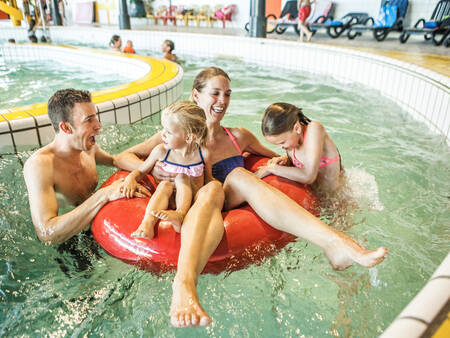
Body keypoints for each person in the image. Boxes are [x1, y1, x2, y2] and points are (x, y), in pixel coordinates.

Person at [115, 66, 388, 328]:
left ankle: (333, 241)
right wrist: (155, 172)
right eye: (215, 93)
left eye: (228, 93)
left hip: (221, 196)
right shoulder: (174, 135)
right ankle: (183, 284)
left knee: (237, 177)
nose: (223, 100)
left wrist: (289, 160)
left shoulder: (239, 136)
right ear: (196, 96)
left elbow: (276, 159)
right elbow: (124, 157)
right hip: (188, 202)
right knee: (210, 190)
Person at [23, 89, 149, 244]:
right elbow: (47, 233)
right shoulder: (40, 166)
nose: (98, 126)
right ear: (66, 128)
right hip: (68, 243)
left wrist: (148, 165)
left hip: (95, 223)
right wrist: (103, 195)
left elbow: (116, 160)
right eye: (89, 120)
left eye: (95, 117)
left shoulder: (88, 148)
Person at [122, 101, 209, 238]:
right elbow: (141, 171)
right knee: (164, 184)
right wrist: (130, 179)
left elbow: (209, 181)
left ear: (189, 137)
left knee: (182, 177)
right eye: (163, 129)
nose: (162, 134)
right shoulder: (161, 152)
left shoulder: (202, 154)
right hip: (165, 199)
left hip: (190, 203)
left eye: (168, 132)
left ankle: (180, 215)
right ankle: (147, 224)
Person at [256, 102, 342, 194]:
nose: (280, 147)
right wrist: (285, 160)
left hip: (335, 200)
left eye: (282, 142)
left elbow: (309, 176)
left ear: (297, 128)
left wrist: (272, 168)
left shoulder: (314, 129)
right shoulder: (291, 143)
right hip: (314, 196)